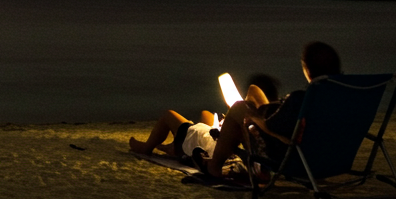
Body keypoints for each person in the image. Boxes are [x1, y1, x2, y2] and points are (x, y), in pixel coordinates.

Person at [202, 41, 341, 179]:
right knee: (254, 93)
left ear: (307, 70)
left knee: (239, 108)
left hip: (293, 160)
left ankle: (213, 168)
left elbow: (271, 127)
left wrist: (253, 117)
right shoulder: (343, 100)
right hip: (332, 159)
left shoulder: (300, 100)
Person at [128, 74, 281, 162]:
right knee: (205, 113)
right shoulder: (273, 122)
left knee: (168, 114)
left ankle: (147, 148)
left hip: (201, 141)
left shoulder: (251, 121)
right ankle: (170, 146)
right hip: (212, 139)